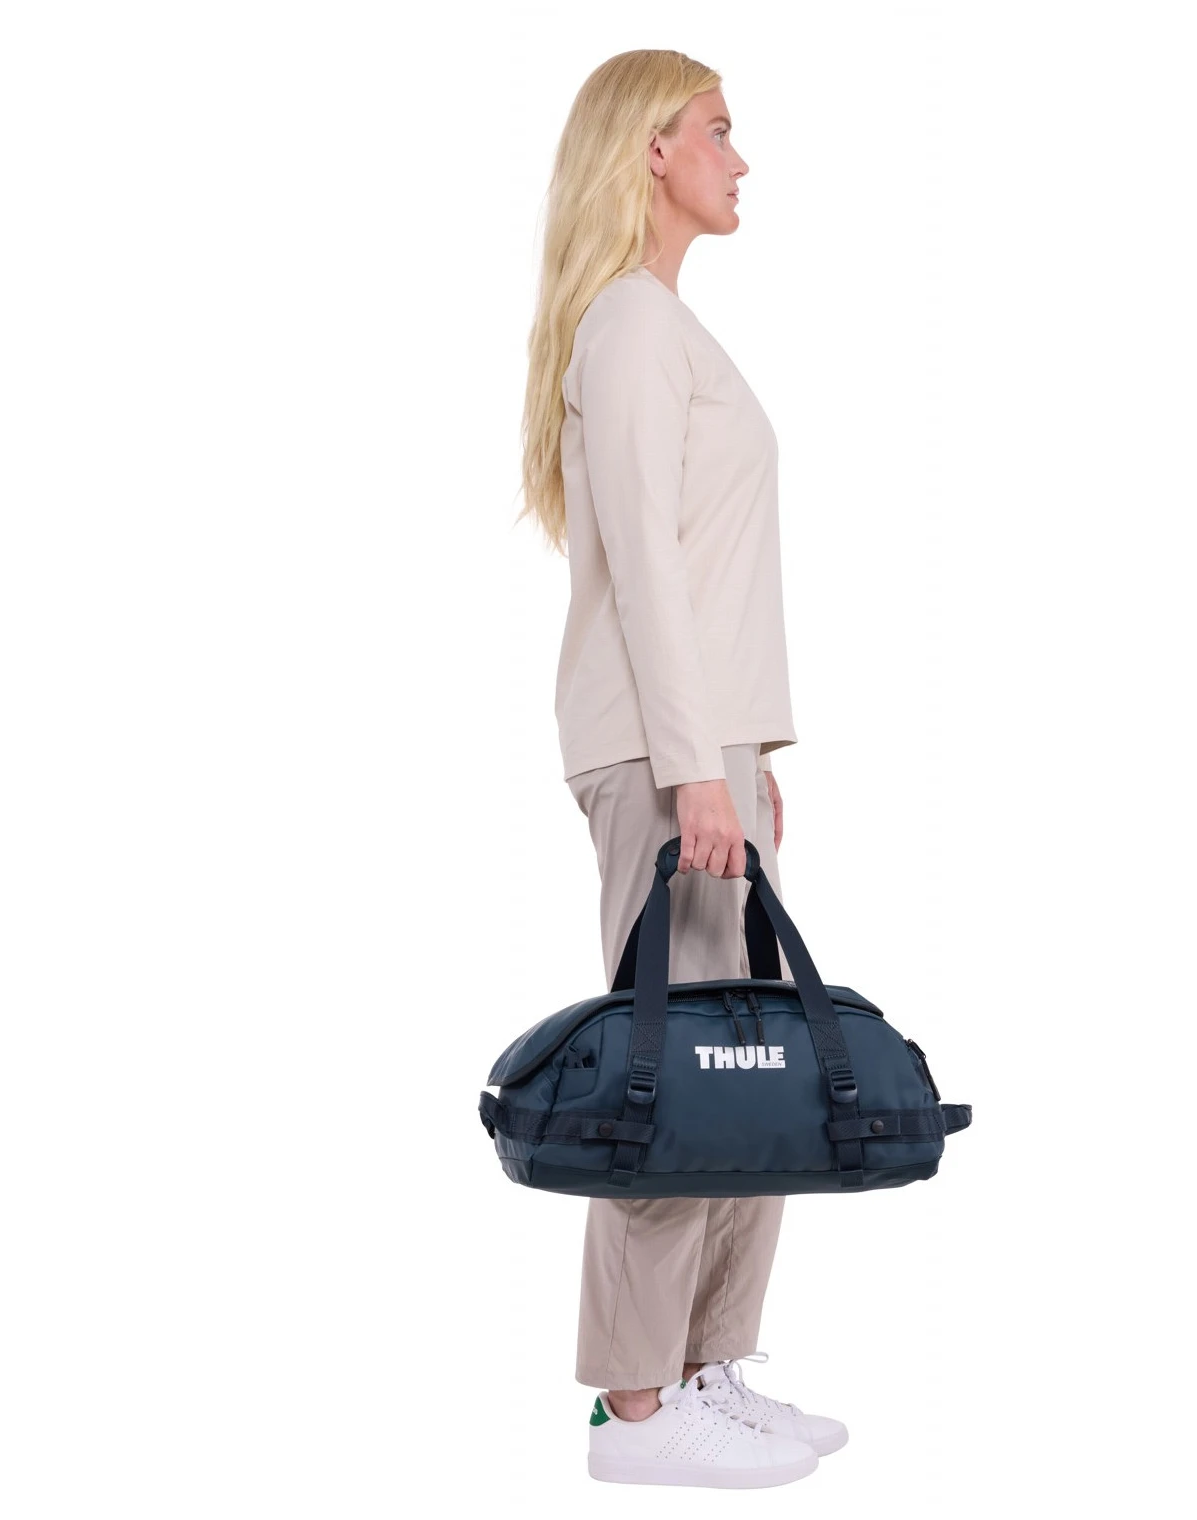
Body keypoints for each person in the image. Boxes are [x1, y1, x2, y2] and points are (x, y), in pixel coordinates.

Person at [517, 50, 848, 1488]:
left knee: (745, 1064)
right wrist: (693, 765)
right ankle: (637, 1413)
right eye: (719, 129)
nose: (741, 156)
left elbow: (703, 571)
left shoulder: (661, 325)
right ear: (650, 150)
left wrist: (743, 750)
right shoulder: (631, 325)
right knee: (678, 1068)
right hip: (664, 749)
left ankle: (708, 1368)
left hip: (705, 742)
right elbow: (649, 567)